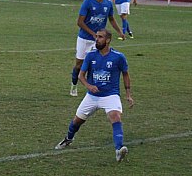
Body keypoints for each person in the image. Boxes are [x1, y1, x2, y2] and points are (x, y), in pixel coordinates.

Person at [56, 29, 134, 163]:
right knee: (77, 121)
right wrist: (89, 86)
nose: (97, 39)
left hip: (110, 95)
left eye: (100, 37)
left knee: (115, 117)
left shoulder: (118, 57)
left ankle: (118, 150)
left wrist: (128, 94)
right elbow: (81, 75)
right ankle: (68, 138)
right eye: (96, 37)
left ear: (108, 40)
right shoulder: (91, 55)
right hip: (92, 96)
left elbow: (125, 74)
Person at [69, 0, 124, 97]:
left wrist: (119, 31)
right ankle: (74, 84)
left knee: (96, 63)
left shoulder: (108, 4)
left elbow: (111, 19)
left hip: (98, 41)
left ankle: (92, 88)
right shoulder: (88, 3)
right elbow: (79, 22)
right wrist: (92, 33)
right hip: (84, 38)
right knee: (79, 65)